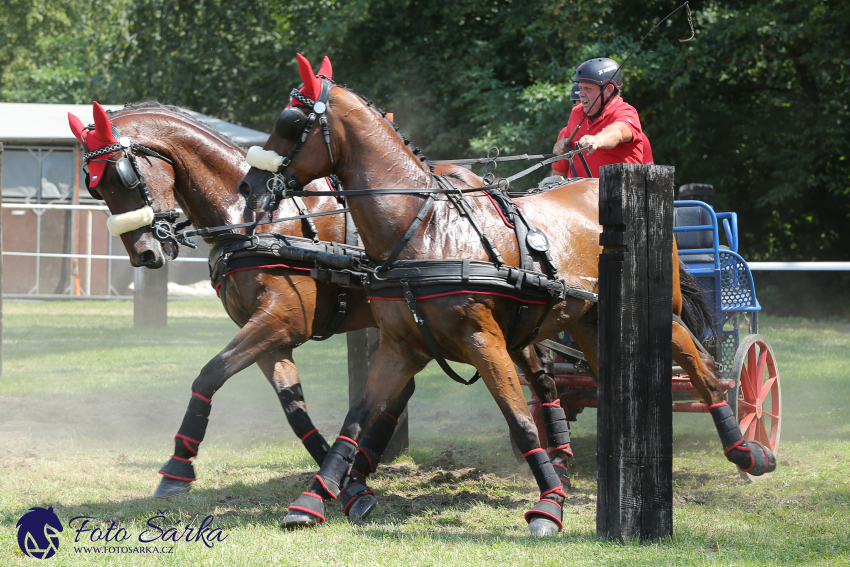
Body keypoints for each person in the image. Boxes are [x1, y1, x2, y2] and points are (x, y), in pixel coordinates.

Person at [550, 58, 645, 178]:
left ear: (608, 90)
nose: (580, 94)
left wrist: (598, 140)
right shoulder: (576, 112)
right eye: (580, 88)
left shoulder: (626, 112)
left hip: (618, 193)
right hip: (577, 193)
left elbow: (618, 131)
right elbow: (566, 143)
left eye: (588, 88)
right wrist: (563, 144)